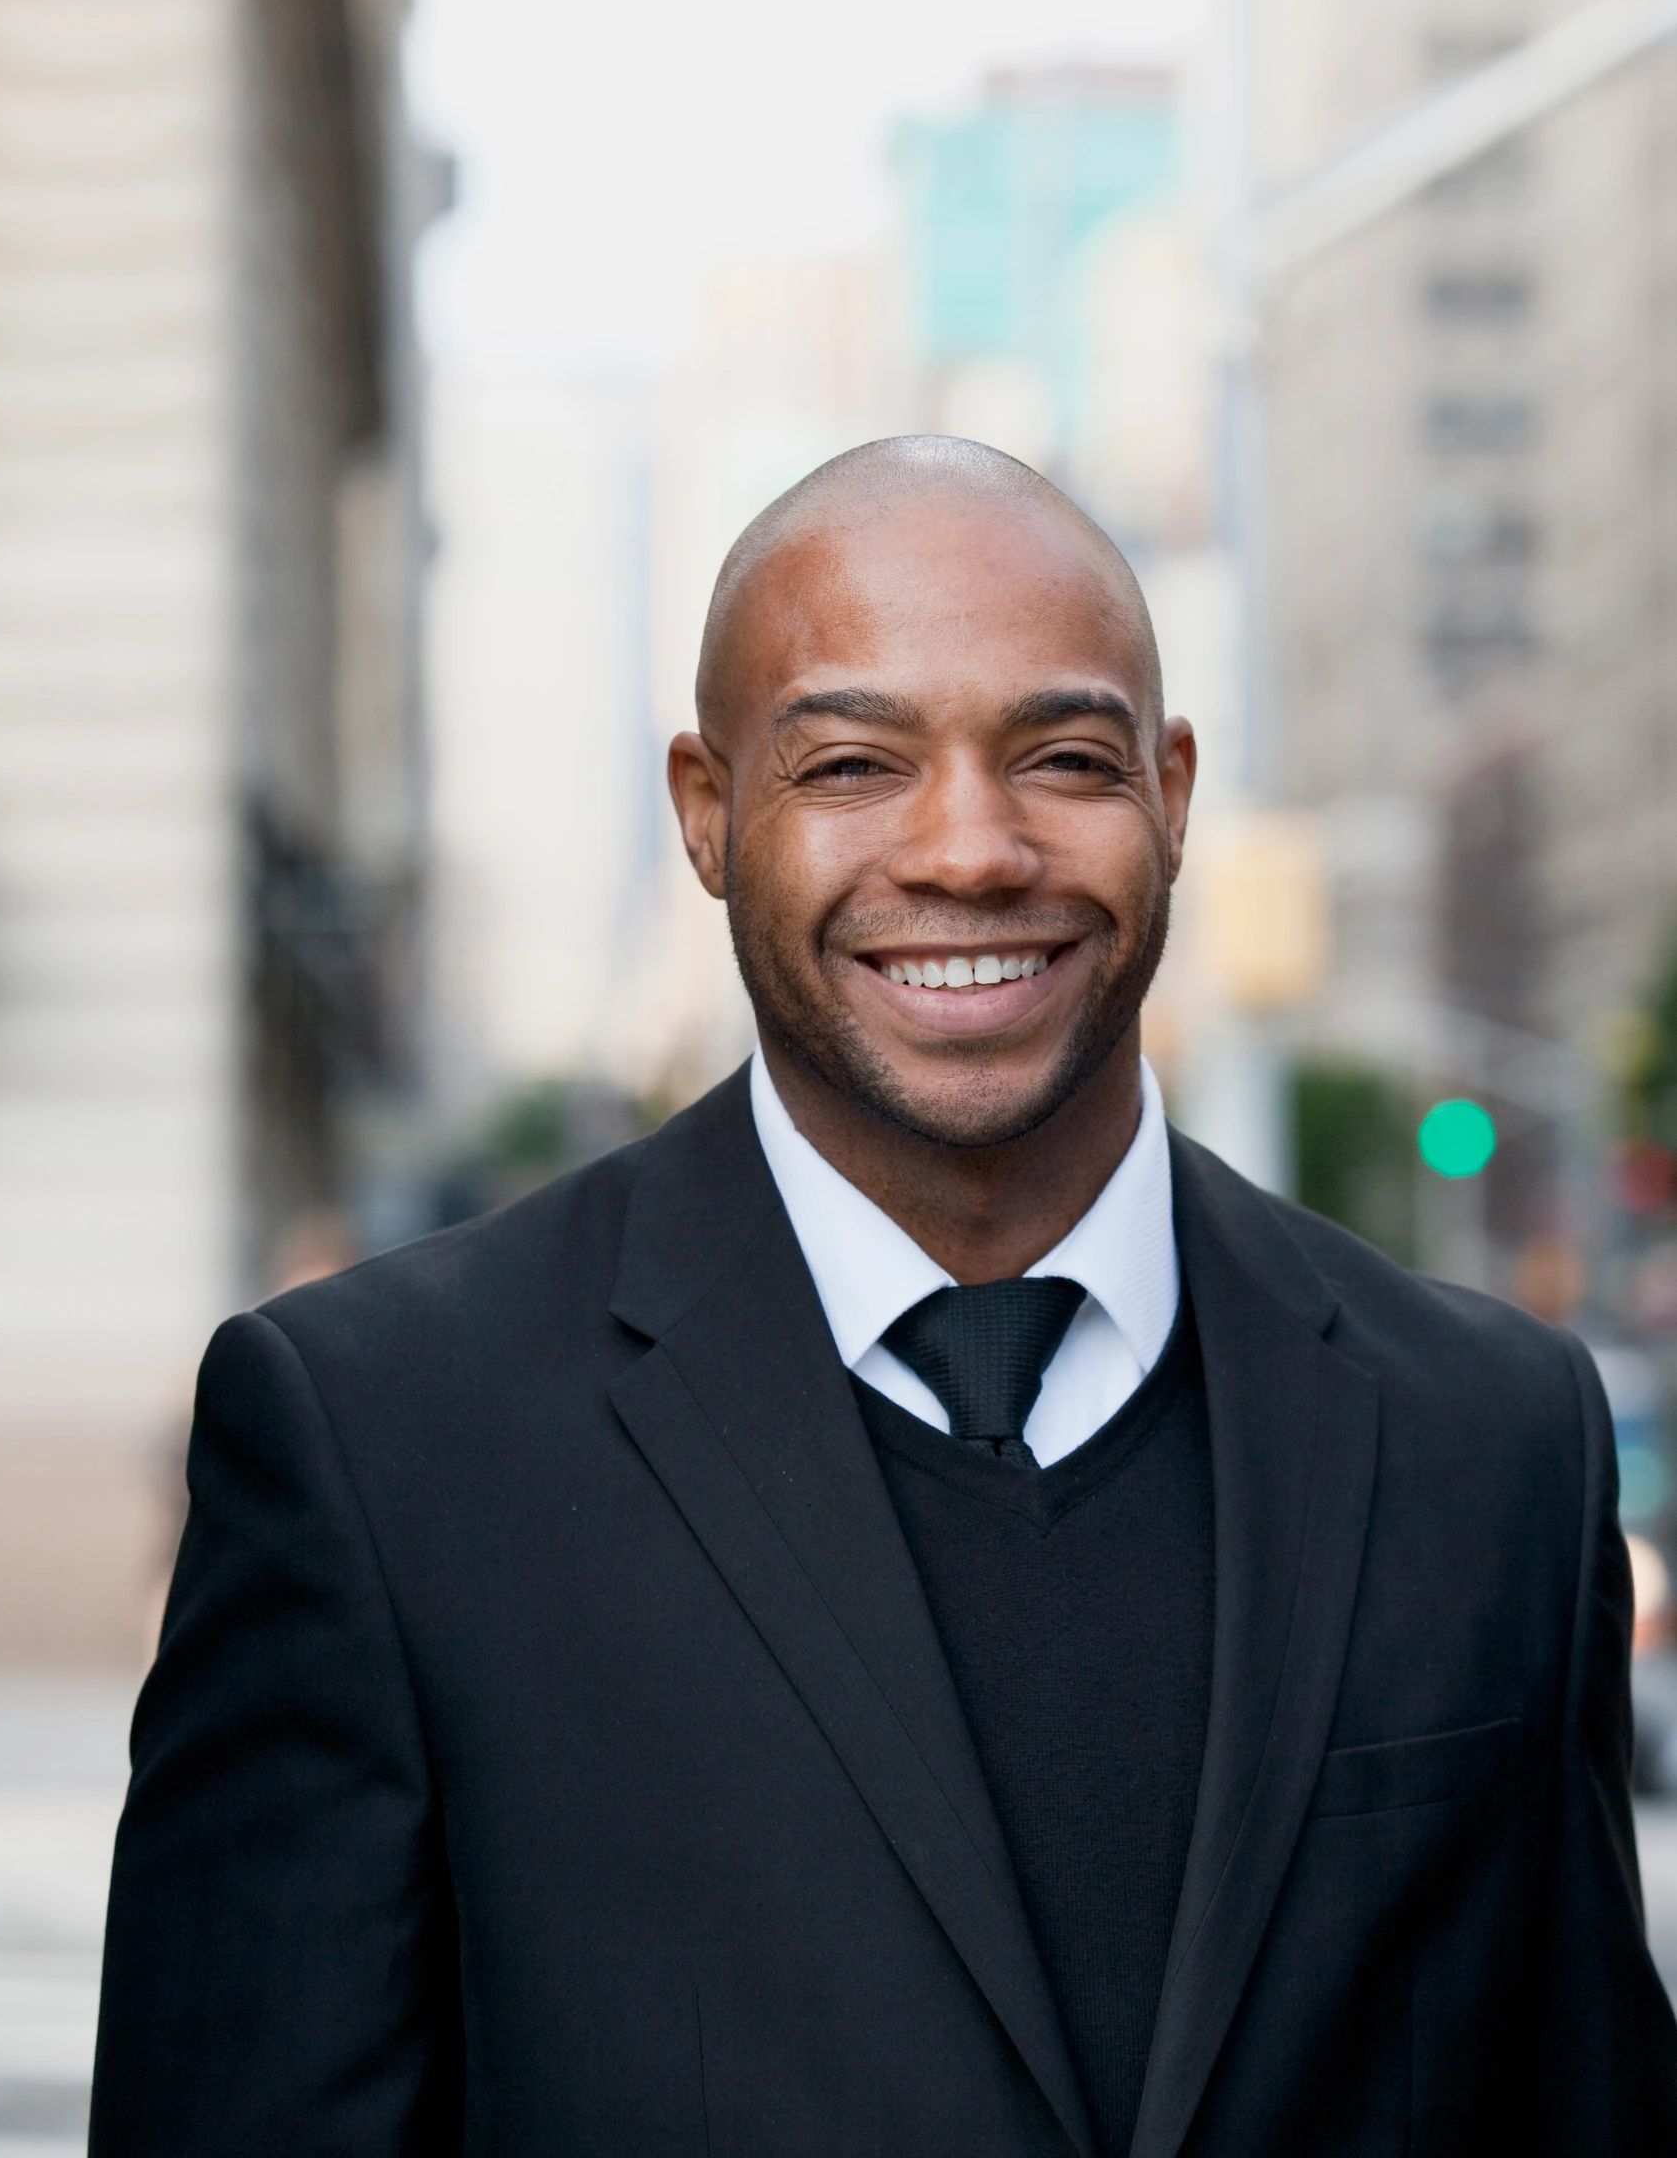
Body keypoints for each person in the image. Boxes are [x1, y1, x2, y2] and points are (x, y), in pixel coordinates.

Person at [90, 435, 1677, 2155]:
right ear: (707, 814)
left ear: (1173, 793)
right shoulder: (381, 1448)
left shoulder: (1491, 1444)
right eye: (853, 763)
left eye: (1062, 758)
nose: (973, 853)